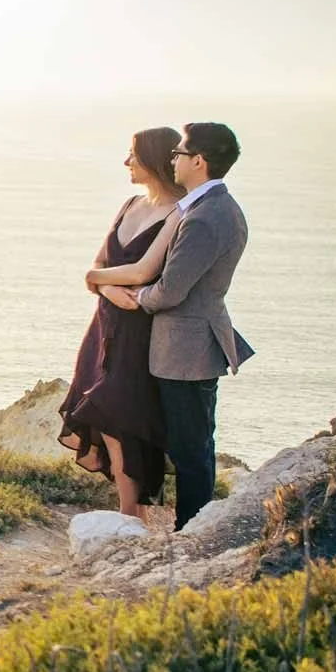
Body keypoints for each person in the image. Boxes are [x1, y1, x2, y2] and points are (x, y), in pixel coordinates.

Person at [106, 122, 255, 531]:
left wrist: (135, 297)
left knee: (191, 450)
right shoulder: (206, 207)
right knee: (193, 445)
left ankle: (192, 530)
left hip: (187, 349)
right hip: (183, 346)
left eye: (180, 153)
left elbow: (171, 290)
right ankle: (192, 526)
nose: (173, 158)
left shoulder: (206, 217)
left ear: (198, 161)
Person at [59, 127, 183, 518]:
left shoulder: (179, 213)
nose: (126, 162)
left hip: (138, 331)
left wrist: (99, 281)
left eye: (133, 154)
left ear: (153, 157)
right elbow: (98, 267)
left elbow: (142, 274)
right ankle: (132, 514)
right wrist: (106, 289)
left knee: (121, 416)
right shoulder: (130, 204)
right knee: (108, 419)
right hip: (104, 324)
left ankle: (133, 517)